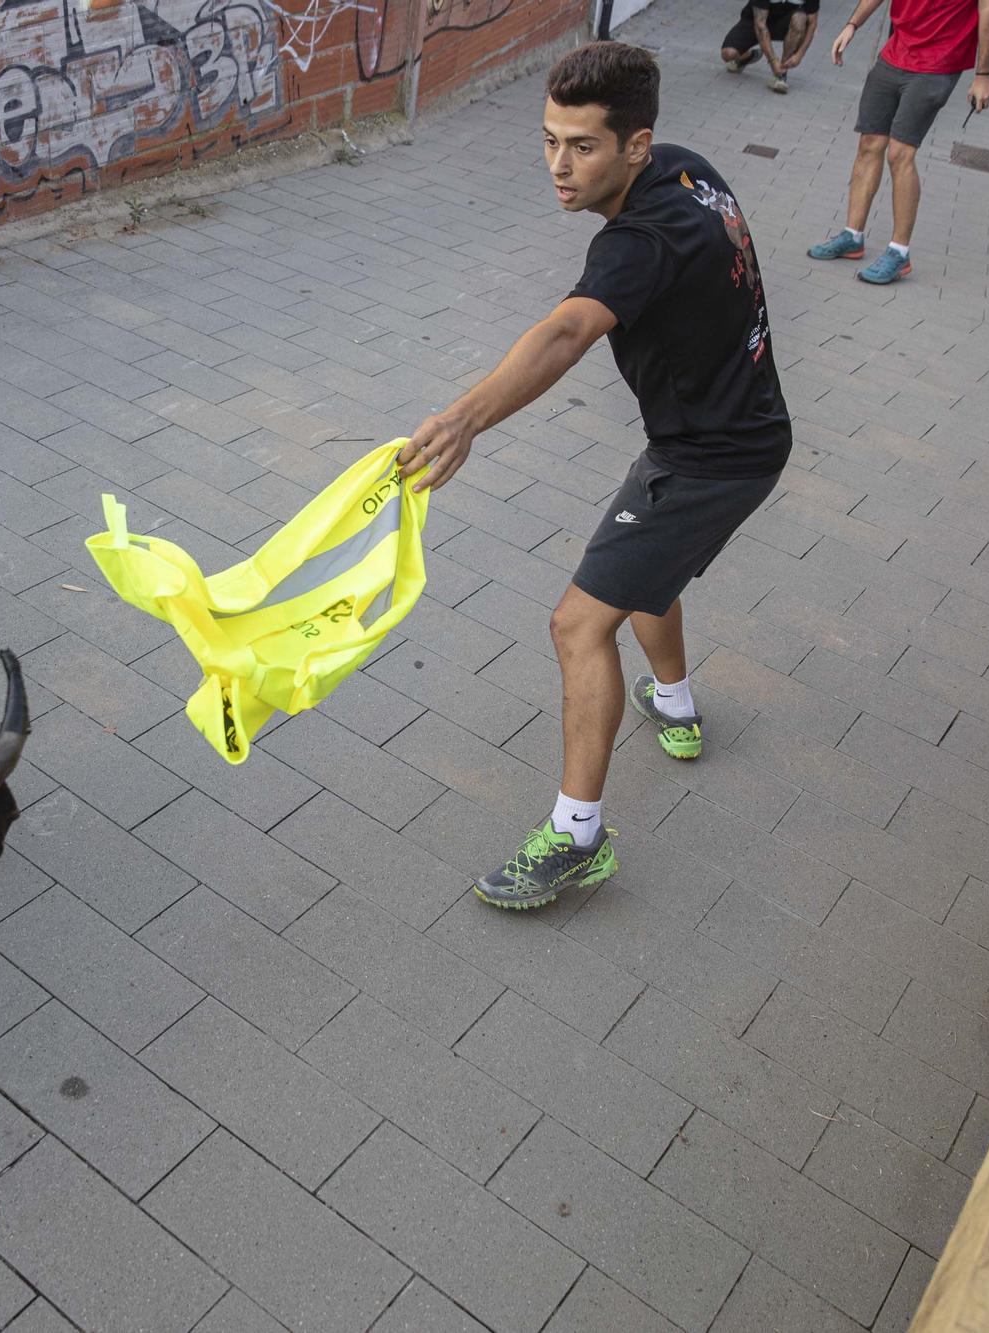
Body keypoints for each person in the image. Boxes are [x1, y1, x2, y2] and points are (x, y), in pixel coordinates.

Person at [395, 41, 791, 911]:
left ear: (636, 146)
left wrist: (465, 417)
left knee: (577, 625)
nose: (558, 167)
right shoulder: (690, 173)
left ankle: (578, 838)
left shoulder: (641, 241)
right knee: (645, 573)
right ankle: (676, 706)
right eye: (548, 141)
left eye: (582, 147)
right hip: (734, 432)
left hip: (710, 458)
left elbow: (568, 330)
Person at [808, 0, 989, 283]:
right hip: (895, 53)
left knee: (900, 153)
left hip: (938, 63)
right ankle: (852, 236)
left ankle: (899, 253)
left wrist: (983, 74)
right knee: (869, 143)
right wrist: (852, 24)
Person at [720, 0, 822, 94]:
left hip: (784, 22)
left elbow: (812, 23)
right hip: (755, 21)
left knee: (801, 18)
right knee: (728, 54)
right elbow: (760, 24)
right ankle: (747, 57)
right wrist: (773, 61)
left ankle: (781, 74)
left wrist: (800, 55)